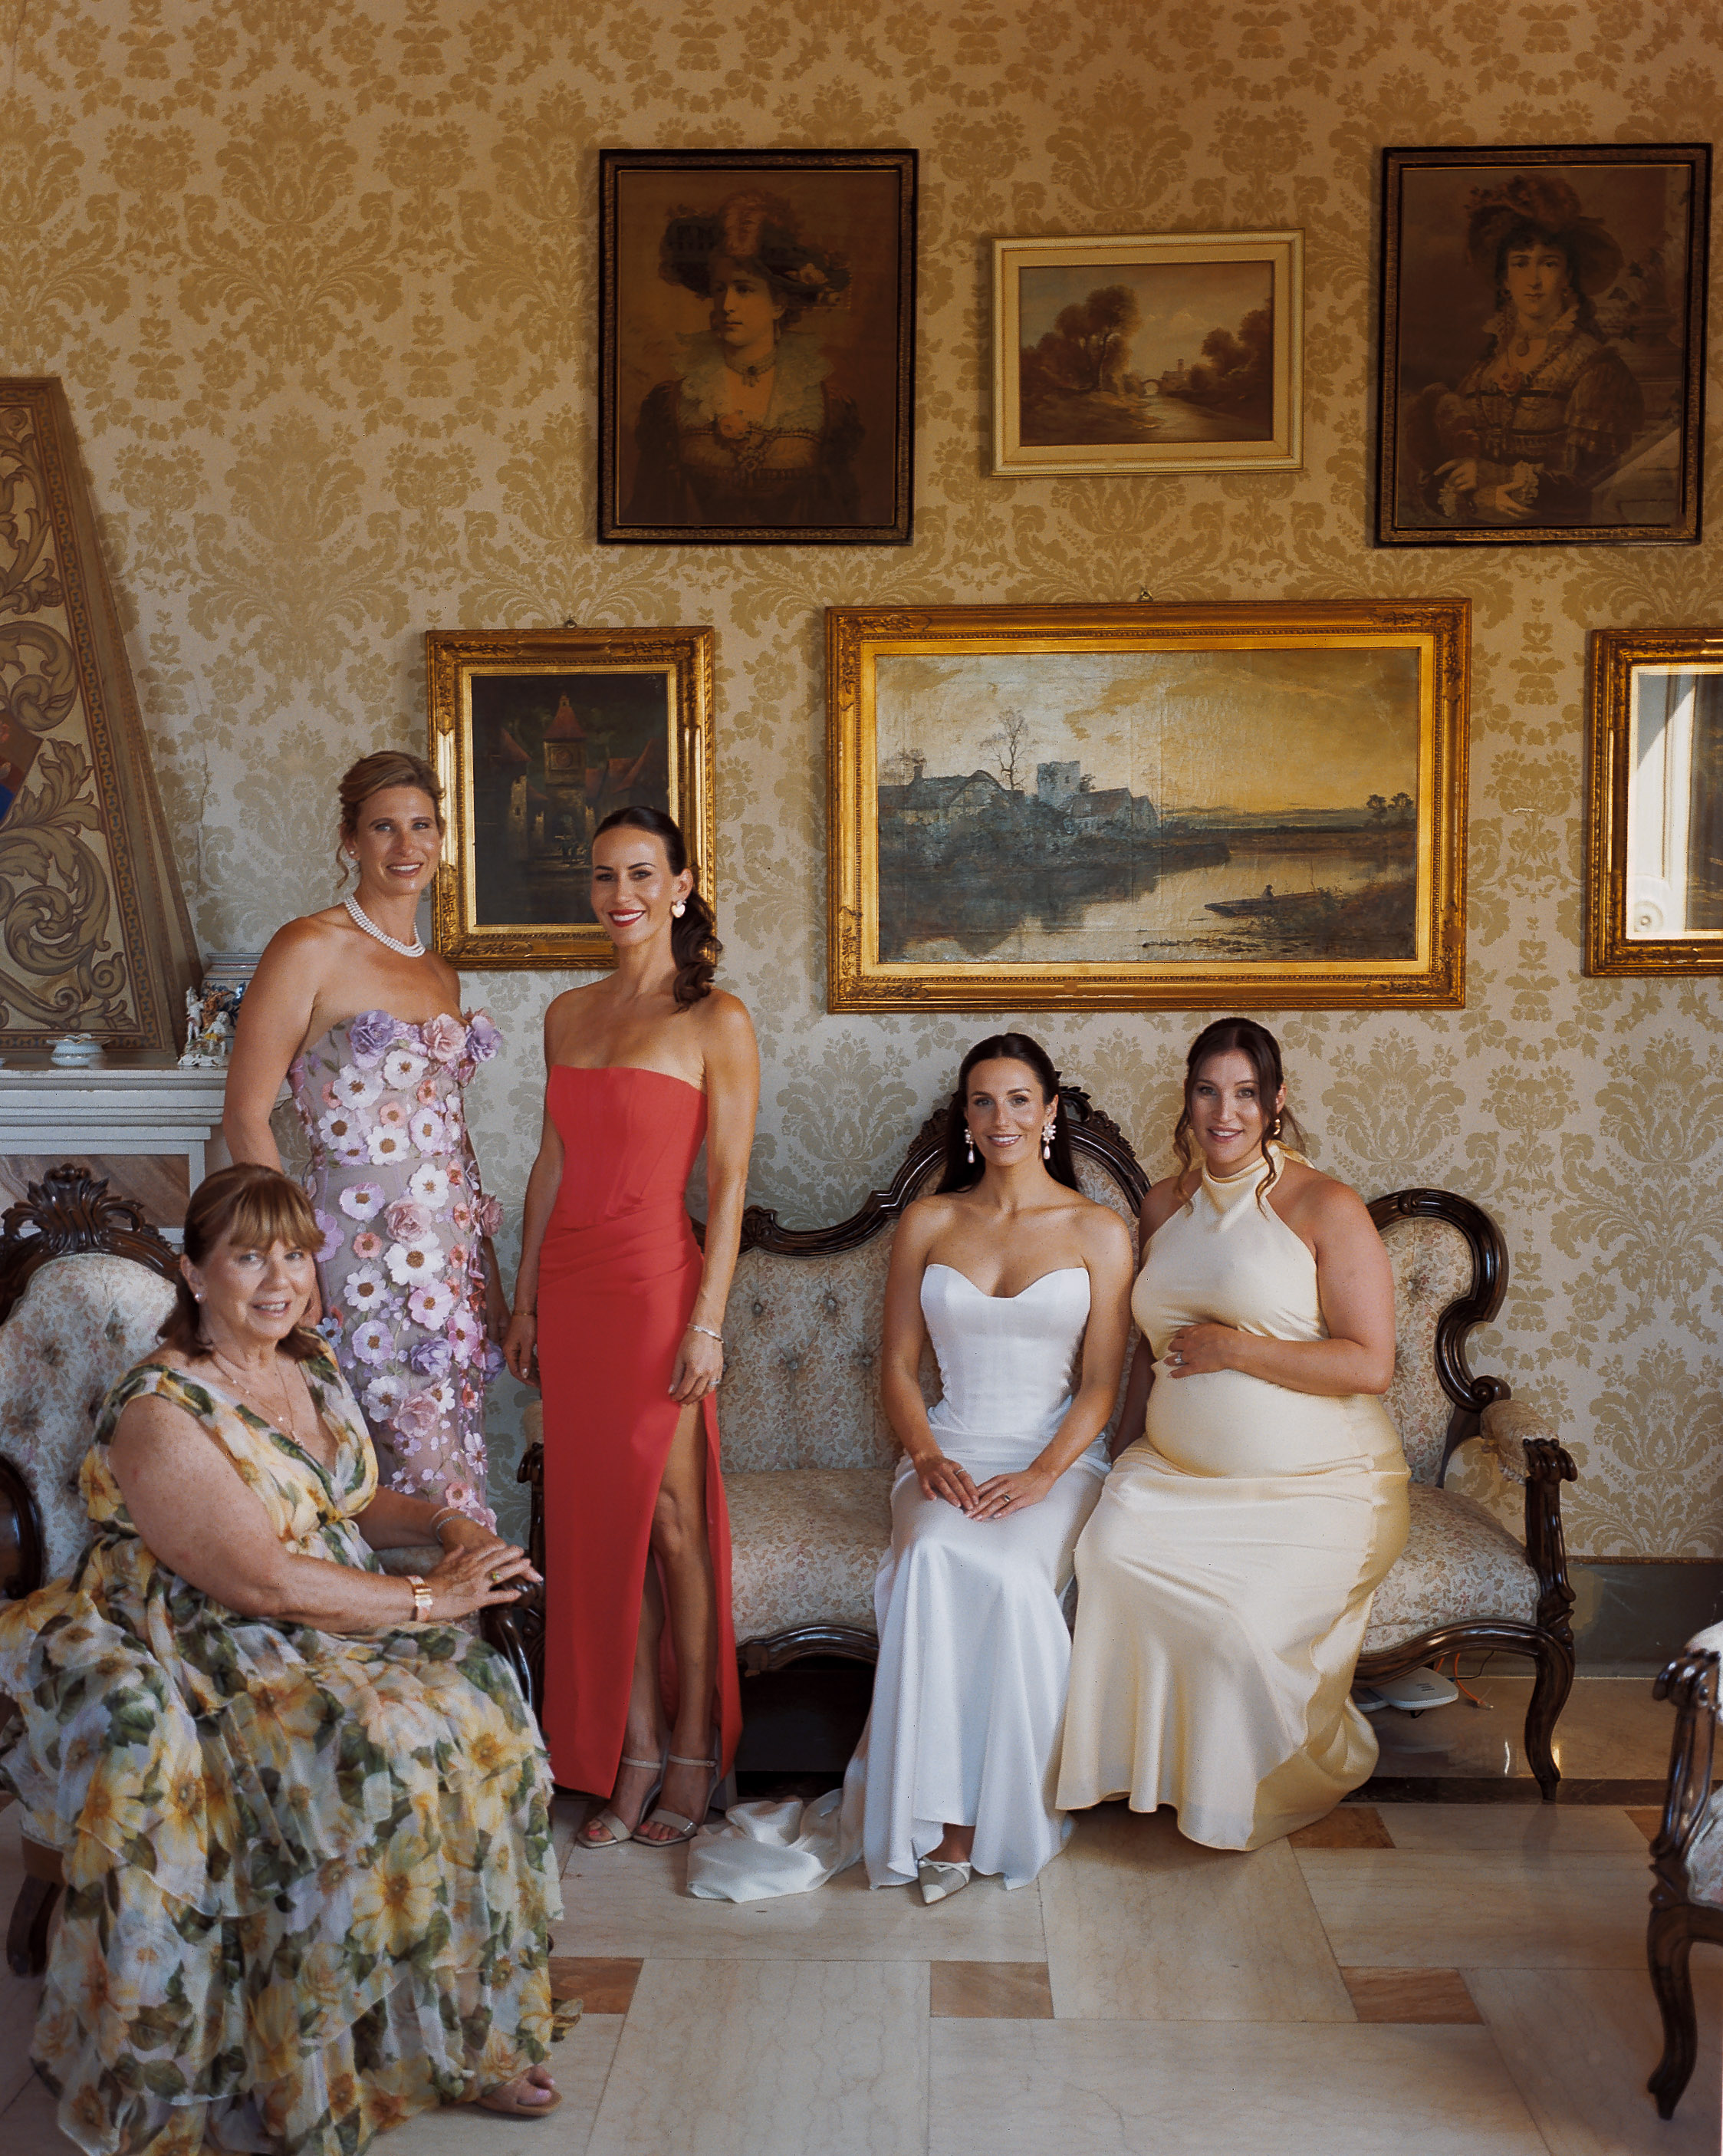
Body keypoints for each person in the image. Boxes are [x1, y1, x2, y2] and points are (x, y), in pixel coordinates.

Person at [0, 1164, 559, 2156]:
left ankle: (460, 2029)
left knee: (479, 1696)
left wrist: (447, 1524)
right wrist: (431, 1599)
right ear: (193, 1272)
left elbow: (350, 1502)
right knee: (360, 1736)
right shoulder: (160, 1407)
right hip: (206, 1629)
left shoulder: (312, 1364)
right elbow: (257, 1579)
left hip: (323, 1603)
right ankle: (295, 2058)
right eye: (249, 1255)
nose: (280, 1278)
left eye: (295, 1253)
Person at [689, 1034, 1132, 1907]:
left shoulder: (1098, 1230)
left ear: (1049, 1112)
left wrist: (1044, 1475)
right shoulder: (929, 1222)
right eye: (982, 1101)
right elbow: (896, 1367)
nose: (1000, 1118)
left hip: (1056, 1459)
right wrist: (927, 1454)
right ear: (964, 1117)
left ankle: (996, 1816)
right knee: (932, 1554)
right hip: (950, 1445)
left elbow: (1102, 1385)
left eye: (1018, 1099)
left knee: (1012, 1574)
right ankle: (934, 1819)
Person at [1057, 1018, 1409, 1851]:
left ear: (1276, 1102)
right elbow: (1148, 1352)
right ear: (1186, 1101)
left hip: (1318, 1485)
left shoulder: (1324, 1205)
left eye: (1246, 1093)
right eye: (1208, 1091)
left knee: (1234, 1625)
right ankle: (1139, 1776)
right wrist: (1118, 1451)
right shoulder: (1161, 1205)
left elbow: (1370, 1364)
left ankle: (1243, 1788)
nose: (1226, 1112)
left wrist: (1236, 1349)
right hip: (1172, 1475)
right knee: (1105, 1559)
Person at [506, 807, 758, 1846]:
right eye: (606, 875)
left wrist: (709, 1321)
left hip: (657, 1287)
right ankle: (633, 1751)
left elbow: (729, 1183)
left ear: (681, 885)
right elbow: (550, 1164)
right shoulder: (566, 1012)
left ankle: (694, 1747)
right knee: (600, 1528)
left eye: (643, 874)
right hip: (571, 1296)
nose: (622, 894)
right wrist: (524, 1297)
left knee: (672, 1525)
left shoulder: (716, 1019)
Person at [223, 749, 508, 1524]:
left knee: (447, 1456)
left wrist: (487, 1269)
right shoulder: (307, 947)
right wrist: (290, 1256)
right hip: (351, 1249)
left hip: (448, 1254)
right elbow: (245, 1113)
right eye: (384, 827)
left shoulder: (441, 975)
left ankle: (453, 1595)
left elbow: (451, 1134)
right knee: (368, 1454)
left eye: (422, 826)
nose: (406, 845)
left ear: (441, 839)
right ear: (350, 840)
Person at [1411, 173, 1642, 526]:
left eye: (1548, 263)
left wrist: (1493, 476)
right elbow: (1438, 472)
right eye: (1520, 263)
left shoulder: (1597, 367)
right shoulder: (1482, 368)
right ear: (1505, 279)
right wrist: (1476, 500)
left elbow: (1592, 486)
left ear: (1567, 277)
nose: (1533, 280)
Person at [623, 189, 863, 528]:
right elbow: (647, 518)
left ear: (778, 303)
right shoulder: (671, 404)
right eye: (719, 288)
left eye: (744, 289)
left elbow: (841, 524)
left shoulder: (827, 406)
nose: (727, 305)